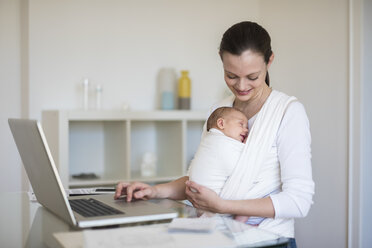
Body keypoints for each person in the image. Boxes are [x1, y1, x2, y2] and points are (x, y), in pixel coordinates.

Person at [115, 21, 314, 246]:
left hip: (268, 241)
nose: (241, 86)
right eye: (231, 75)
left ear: (270, 61)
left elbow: (299, 201)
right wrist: (154, 191)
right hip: (218, 238)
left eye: (252, 77)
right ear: (221, 59)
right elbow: (201, 180)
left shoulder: (288, 112)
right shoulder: (218, 111)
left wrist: (221, 206)